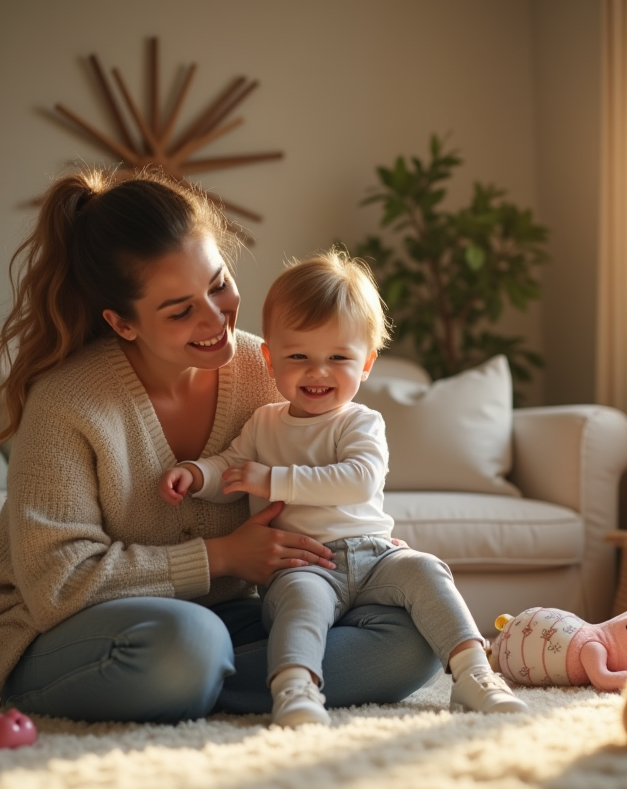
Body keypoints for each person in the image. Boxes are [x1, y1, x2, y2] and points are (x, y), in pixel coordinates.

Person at [0, 168, 441, 722]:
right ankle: (7, 671)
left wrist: (356, 542)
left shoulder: (271, 367)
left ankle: (227, 684)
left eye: (219, 285)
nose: (216, 319)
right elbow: (58, 585)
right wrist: (221, 556)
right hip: (70, 625)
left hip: (237, 616)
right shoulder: (68, 401)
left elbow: (328, 473)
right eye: (181, 310)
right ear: (123, 323)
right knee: (187, 643)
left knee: (409, 639)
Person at [159, 250, 528, 727]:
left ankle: (475, 674)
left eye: (338, 358)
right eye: (299, 357)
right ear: (270, 359)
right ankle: (295, 688)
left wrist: (271, 481)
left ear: (367, 363)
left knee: (427, 571)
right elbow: (231, 467)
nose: (318, 373)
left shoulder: (360, 422)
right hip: (303, 561)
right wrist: (197, 475)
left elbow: (358, 480)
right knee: (299, 606)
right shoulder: (263, 423)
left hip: (376, 556)